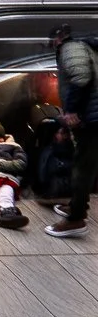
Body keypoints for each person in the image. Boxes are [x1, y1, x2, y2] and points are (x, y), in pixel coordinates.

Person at [49, 24, 98, 238]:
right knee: (84, 163)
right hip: (92, 115)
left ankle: (76, 219)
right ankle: (77, 205)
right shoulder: (84, 48)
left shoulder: (71, 48)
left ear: (58, 39)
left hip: (94, 118)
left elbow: (81, 78)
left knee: (83, 167)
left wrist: (71, 111)